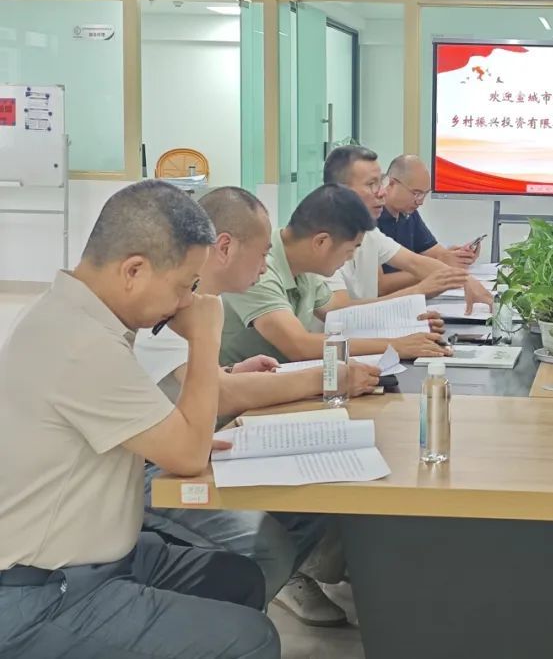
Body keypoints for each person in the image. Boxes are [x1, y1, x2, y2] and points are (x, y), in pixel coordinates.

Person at [0, 180, 278, 658]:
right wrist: (205, 336)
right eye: (185, 286)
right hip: (43, 594)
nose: (188, 302)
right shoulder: (80, 343)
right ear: (134, 270)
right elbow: (187, 455)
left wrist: (183, 434)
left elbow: (169, 434)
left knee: (237, 579)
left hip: (99, 558)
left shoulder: (76, 316)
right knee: (251, 639)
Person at [136, 186, 379, 626]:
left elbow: (201, 382)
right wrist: (326, 378)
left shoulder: (202, 299)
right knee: (269, 548)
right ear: (225, 247)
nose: (266, 266)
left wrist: (229, 370)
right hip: (152, 467)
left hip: (191, 442)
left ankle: (246, 599)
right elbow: (220, 396)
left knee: (317, 501)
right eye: (263, 253)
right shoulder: (169, 301)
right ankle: (220, 628)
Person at [220, 183, 450, 365]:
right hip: (241, 395)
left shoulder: (303, 266)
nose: (349, 259)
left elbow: (340, 313)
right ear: (321, 242)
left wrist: (410, 324)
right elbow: (300, 346)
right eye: (349, 250)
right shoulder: (259, 268)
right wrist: (396, 345)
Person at [322, 145, 492, 310]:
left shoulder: (370, 233)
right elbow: (338, 312)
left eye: (380, 183)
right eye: (371, 184)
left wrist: (466, 280)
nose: (382, 192)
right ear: (339, 191)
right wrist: (419, 290)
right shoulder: (324, 240)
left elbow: (415, 262)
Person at [379, 154, 480, 269]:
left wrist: (458, 256)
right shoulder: (372, 216)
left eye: (425, 194)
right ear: (392, 183)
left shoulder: (409, 213)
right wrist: (438, 265)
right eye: (416, 193)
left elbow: (433, 251)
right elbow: (381, 279)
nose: (420, 202)